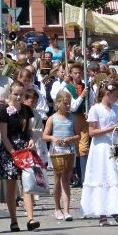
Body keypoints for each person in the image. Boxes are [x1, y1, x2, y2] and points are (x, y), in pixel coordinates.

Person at [0, 82, 41, 232]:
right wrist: (13, 153)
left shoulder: (27, 110)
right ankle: (14, 220)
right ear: (10, 94)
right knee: (12, 187)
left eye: (21, 94)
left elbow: (29, 130)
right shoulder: (4, 111)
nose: (19, 97)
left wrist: (32, 139)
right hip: (10, 150)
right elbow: (4, 136)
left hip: (25, 149)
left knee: (28, 184)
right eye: (16, 94)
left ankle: (30, 218)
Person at [81, 81, 118, 226]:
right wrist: (109, 128)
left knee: (114, 176)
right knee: (101, 176)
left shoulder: (117, 109)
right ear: (108, 94)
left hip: (113, 145)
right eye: (115, 95)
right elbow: (92, 132)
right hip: (101, 147)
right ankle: (102, 213)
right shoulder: (96, 109)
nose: (117, 98)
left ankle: (116, 208)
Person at [44, 91, 79, 221]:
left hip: (69, 150)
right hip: (56, 151)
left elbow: (78, 135)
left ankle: (66, 210)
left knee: (66, 179)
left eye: (69, 103)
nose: (68, 106)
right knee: (57, 179)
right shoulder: (52, 118)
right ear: (58, 103)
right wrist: (53, 137)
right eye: (65, 103)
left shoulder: (72, 118)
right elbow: (44, 136)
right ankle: (57, 208)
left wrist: (71, 138)